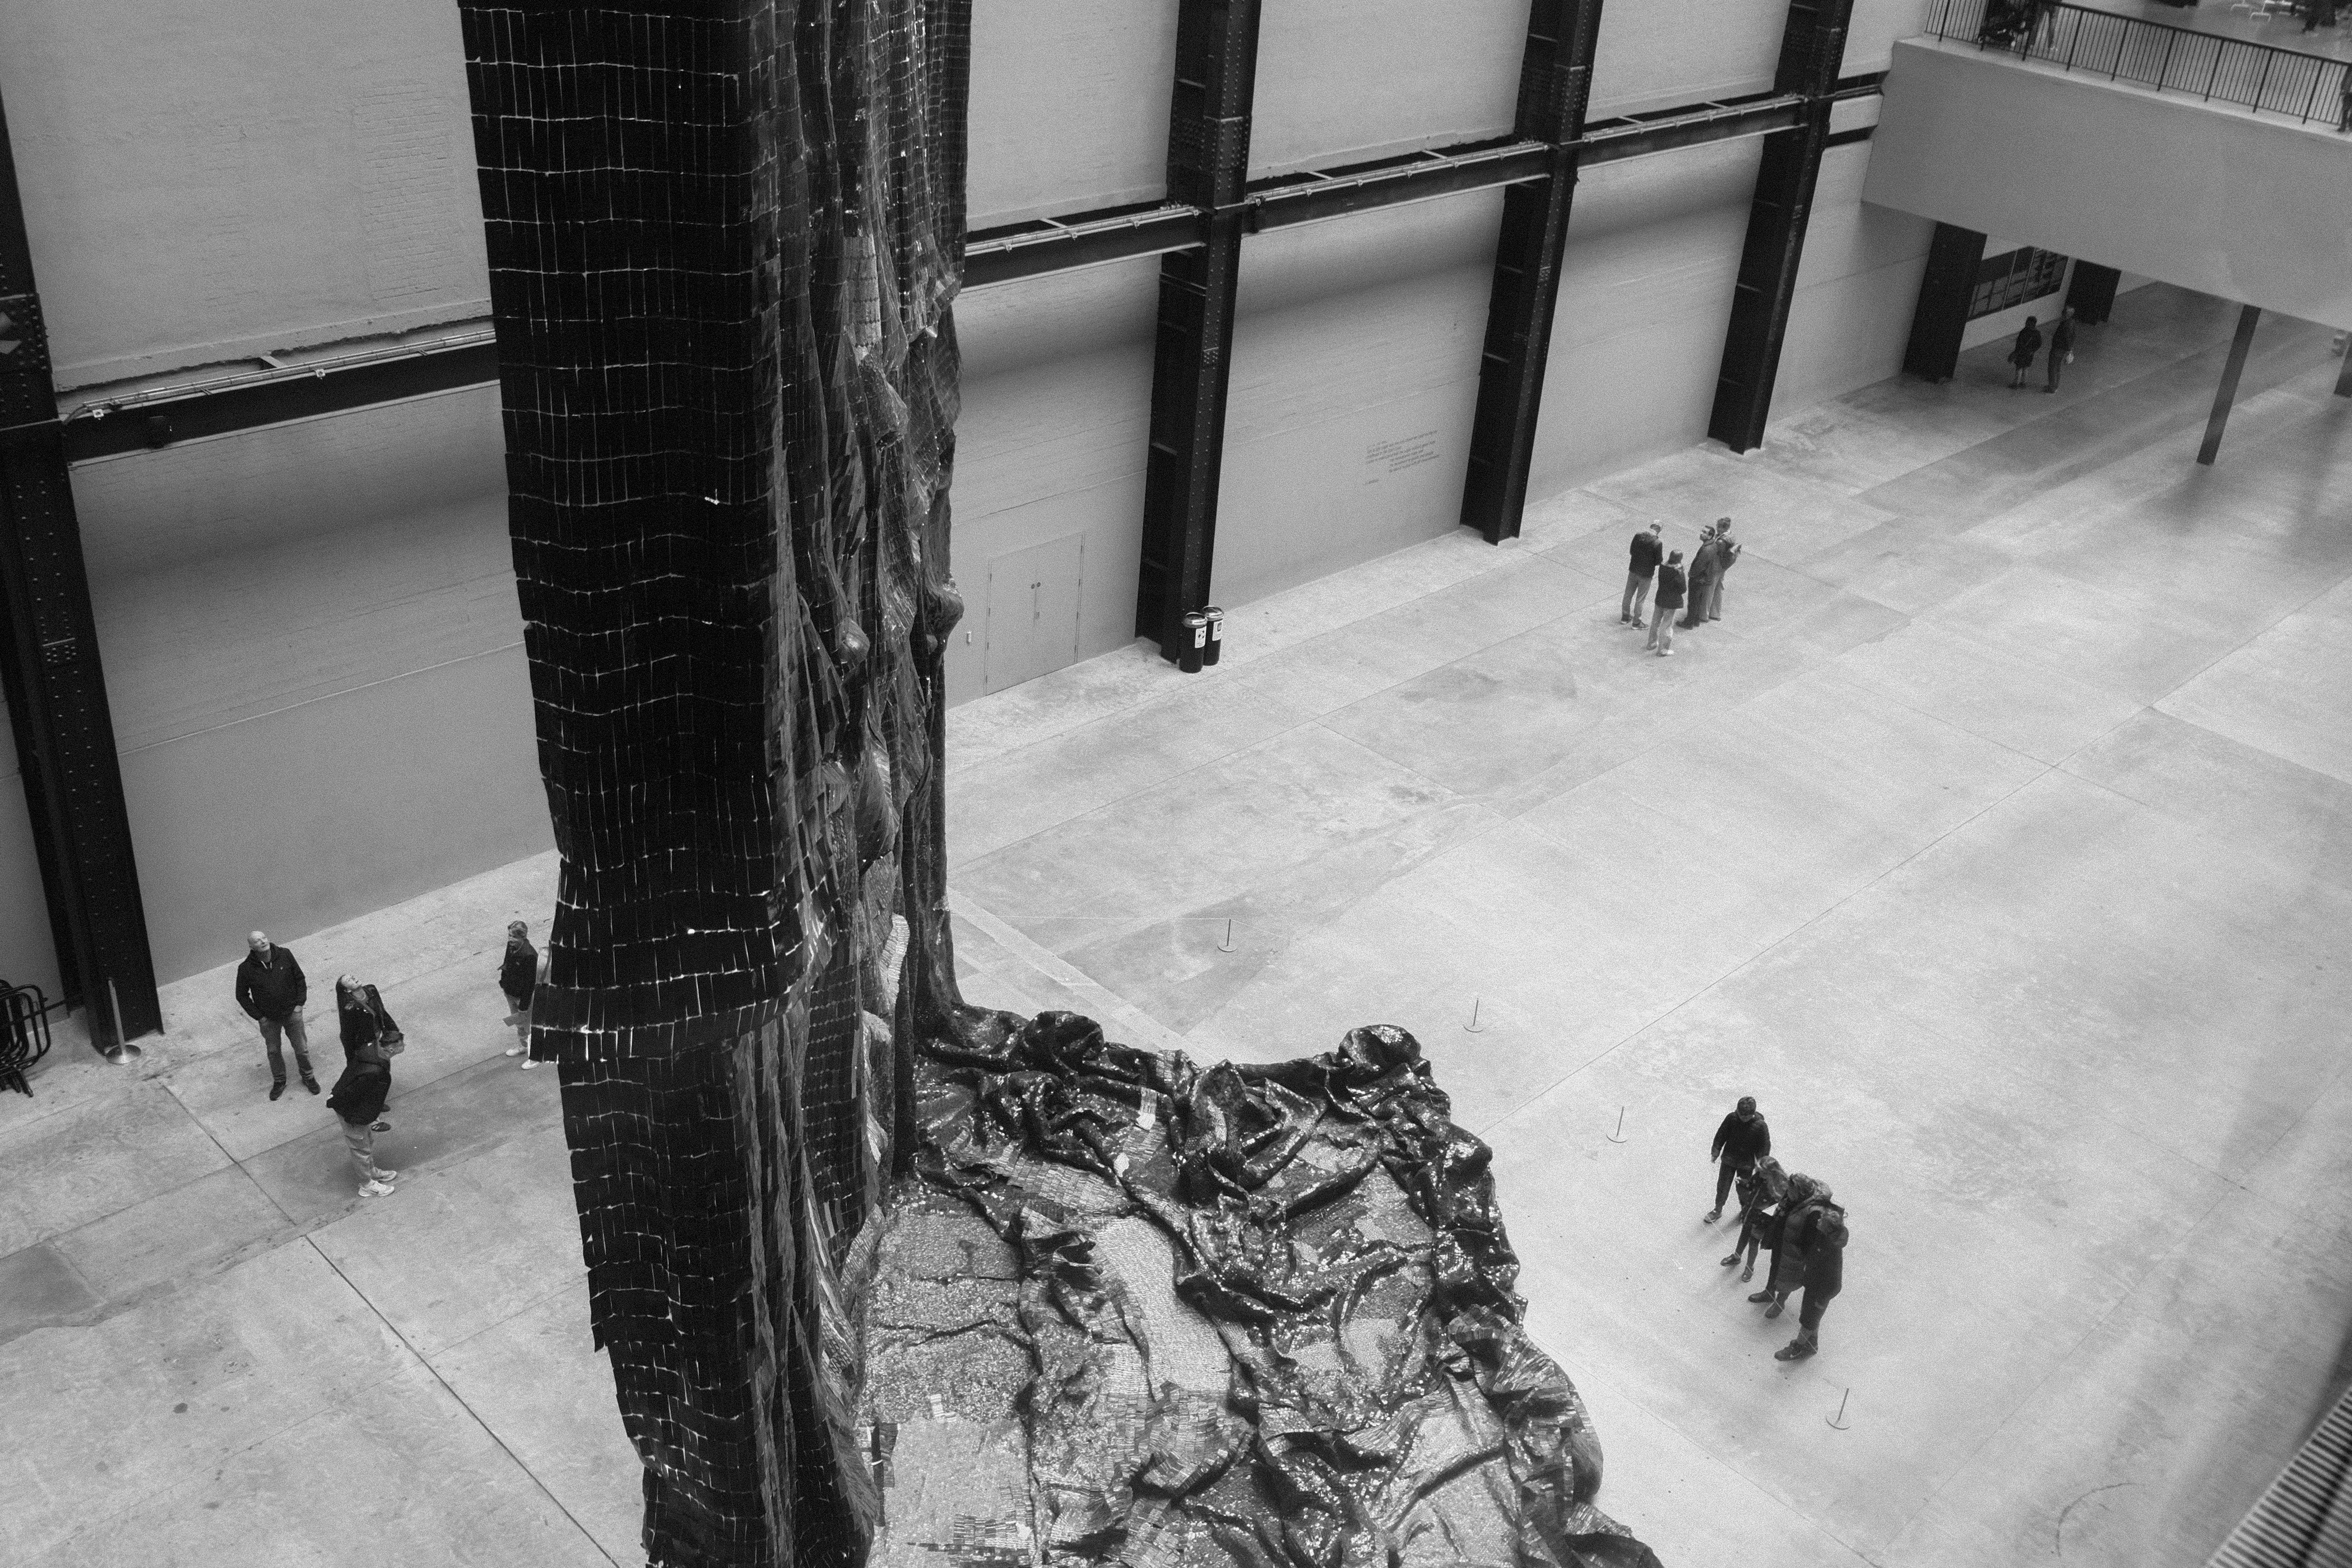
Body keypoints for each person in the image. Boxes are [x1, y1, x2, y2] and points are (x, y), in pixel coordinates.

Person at [235, 931, 316, 1100]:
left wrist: (299, 1004)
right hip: (269, 1019)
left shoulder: (285, 955)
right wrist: (259, 1017)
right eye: (257, 941)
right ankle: (279, 1081)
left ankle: (308, 1076)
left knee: (301, 1049)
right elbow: (241, 995)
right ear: (251, 947)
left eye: (264, 938)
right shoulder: (246, 969)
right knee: (273, 1052)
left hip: (292, 1014)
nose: (263, 942)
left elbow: (299, 979)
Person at [1774, 1193, 1848, 1361]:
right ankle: (1811, 1344)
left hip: (1823, 1289)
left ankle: (1797, 1348)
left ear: (1828, 1228)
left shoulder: (1829, 1246)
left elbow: (1821, 1267)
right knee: (1811, 1316)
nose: (1818, 1220)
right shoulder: (1824, 1237)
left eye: (1822, 1221)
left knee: (1809, 1320)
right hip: (1815, 1284)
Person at [327, 1025, 398, 1198]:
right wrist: (351, 1115)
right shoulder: (373, 1070)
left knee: (366, 1143)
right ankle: (367, 1184)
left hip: (360, 1112)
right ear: (390, 1048)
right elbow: (350, 1094)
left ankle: (371, 1172)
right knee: (360, 1149)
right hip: (353, 1114)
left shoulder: (373, 1055)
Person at [1749, 1172, 1831, 1319]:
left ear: (1800, 1192)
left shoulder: (1813, 1212)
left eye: (1791, 1191)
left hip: (1795, 1249)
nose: (1788, 1193)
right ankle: (1769, 1292)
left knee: (1789, 1275)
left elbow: (1809, 1239)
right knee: (1775, 1266)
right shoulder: (1791, 1195)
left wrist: (1800, 1255)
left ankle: (1780, 1302)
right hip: (1781, 1238)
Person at [1720, 1154, 1787, 1283]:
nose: (1759, 1174)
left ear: (1771, 1173)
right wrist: (1744, 1183)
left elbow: (1777, 1209)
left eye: (1763, 1173)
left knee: (1753, 1243)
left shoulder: (1778, 1189)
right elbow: (1751, 1186)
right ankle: (1737, 1255)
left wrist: (1765, 1222)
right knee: (1743, 1235)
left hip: (1761, 1221)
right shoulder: (1759, 1178)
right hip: (1750, 1213)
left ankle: (1750, 1267)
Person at [1705, 1094, 1771, 1222]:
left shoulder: (1761, 1126)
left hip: (1746, 1164)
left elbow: (1764, 1146)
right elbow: (1721, 1134)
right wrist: (1716, 1150)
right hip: (1729, 1160)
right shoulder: (1732, 1118)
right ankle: (1718, 1210)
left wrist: (1762, 1164)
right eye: (1739, 1114)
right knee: (1723, 1186)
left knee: (1744, 1190)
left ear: (1752, 1114)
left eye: (1745, 1116)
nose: (1741, 1118)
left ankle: (1745, 1211)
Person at [499, 920, 537, 1057]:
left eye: (514, 937)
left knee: (529, 1027)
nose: (510, 939)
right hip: (511, 993)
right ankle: (523, 1046)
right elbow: (506, 965)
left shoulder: (530, 956)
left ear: (523, 937)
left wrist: (524, 1006)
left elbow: (530, 984)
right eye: (509, 935)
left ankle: (536, 1056)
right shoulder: (511, 946)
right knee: (519, 1023)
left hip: (522, 998)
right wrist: (504, 985)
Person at [1620, 522, 1664, 628]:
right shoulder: (1657, 543)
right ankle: (1636, 622)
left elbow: (1632, 551)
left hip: (1633, 570)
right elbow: (1659, 561)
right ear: (1659, 530)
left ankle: (1625, 616)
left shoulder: (1638, 536)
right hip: (1646, 574)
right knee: (1640, 598)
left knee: (1628, 593)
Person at [1679, 525, 1719, 630]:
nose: (1702, 533)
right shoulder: (1713, 545)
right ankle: (1696, 620)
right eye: (1702, 531)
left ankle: (1689, 622)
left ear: (1710, 536)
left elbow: (1699, 566)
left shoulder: (1707, 550)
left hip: (1698, 579)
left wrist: (1691, 575)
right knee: (1698, 600)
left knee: (1693, 601)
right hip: (1705, 578)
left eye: (1705, 532)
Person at [1646, 551, 1686, 656]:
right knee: (1667, 625)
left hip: (1660, 598)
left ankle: (1652, 643)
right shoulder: (1678, 572)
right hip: (1671, 602)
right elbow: (1683, 589)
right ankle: (1663, 650)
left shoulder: (1663, 567)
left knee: (1655, 621)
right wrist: (1681, 573)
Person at [1705, 519, 1740, 621]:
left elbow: (1716, 553)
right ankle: (1716, 613)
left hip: (1716, 567)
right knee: (1719, 588)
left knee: (1710, 589)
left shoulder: (1721, 541)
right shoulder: (1731, 536)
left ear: (1724, 528)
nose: (1717, 528)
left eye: (1719, 527)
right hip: (1723, 567)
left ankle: (1705, 613)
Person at [2044, 308, 2075, 393]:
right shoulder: (2071, 323)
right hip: (2061, 350)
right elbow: (2072, 337)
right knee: (2057, 368)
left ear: (2067, 315)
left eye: (2064, 313)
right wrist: (2069, 349)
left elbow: (2067, 338)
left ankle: (2052, 387)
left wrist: (2069, 350)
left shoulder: (2066, 325)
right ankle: (2055, 386)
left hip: (2058, 349)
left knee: (2053, 368)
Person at [2009, 316, 2042, 390]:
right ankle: (2024, 383)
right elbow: (2039, 344)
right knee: (2026, 368)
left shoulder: (2024, 331)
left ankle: (2016, 383)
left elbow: (2019, 343)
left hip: (2022, 353)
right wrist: (2033, 351)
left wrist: (2016, 352)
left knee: (2019, 368)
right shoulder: (2037, 333)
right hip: (2030, 354)